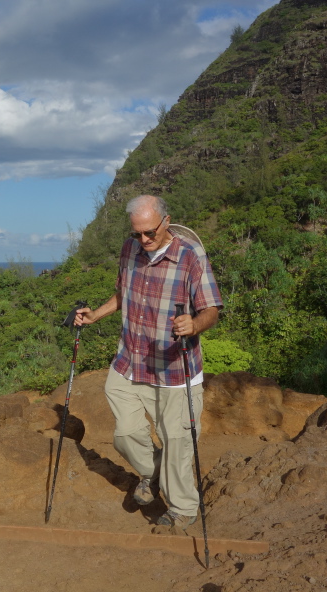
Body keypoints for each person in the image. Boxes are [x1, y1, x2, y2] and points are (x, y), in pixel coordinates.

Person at [74, 194, 222, 530]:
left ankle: (183, 509)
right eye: (136, 233)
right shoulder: (130, 250)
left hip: (174, 369)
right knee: (125, 434)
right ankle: (153, 473)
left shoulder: (189, 255)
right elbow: (123, 292)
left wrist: (195, 324)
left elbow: (211, 308)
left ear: (166, 222)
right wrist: (95, 314)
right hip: (130, 361)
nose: (143, 240)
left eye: (149, 233)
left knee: (178, 443)